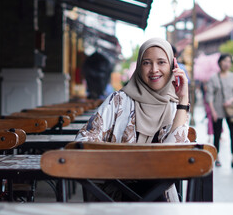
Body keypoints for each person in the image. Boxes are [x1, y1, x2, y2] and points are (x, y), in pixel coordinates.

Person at [76, 38, 190, 202]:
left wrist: (183, 100)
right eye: (146, 63)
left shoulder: (176, 106)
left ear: (172, 67)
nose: (154, 70)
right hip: (115, 197)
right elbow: (83, 140)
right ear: (139, 66)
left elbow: (176, 155)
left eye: (161, 62)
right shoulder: (119, 100)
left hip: (161, 199)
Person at [206, 53, 233, 169]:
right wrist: (213, 111)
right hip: (218, 109)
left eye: (229, 61)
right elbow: (209, 96)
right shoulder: (213, 78)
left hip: (230, 109)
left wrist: (231, 100)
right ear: (220, 62)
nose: (227, 64)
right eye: (225, 61)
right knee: (217, 134)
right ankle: (217, 157)